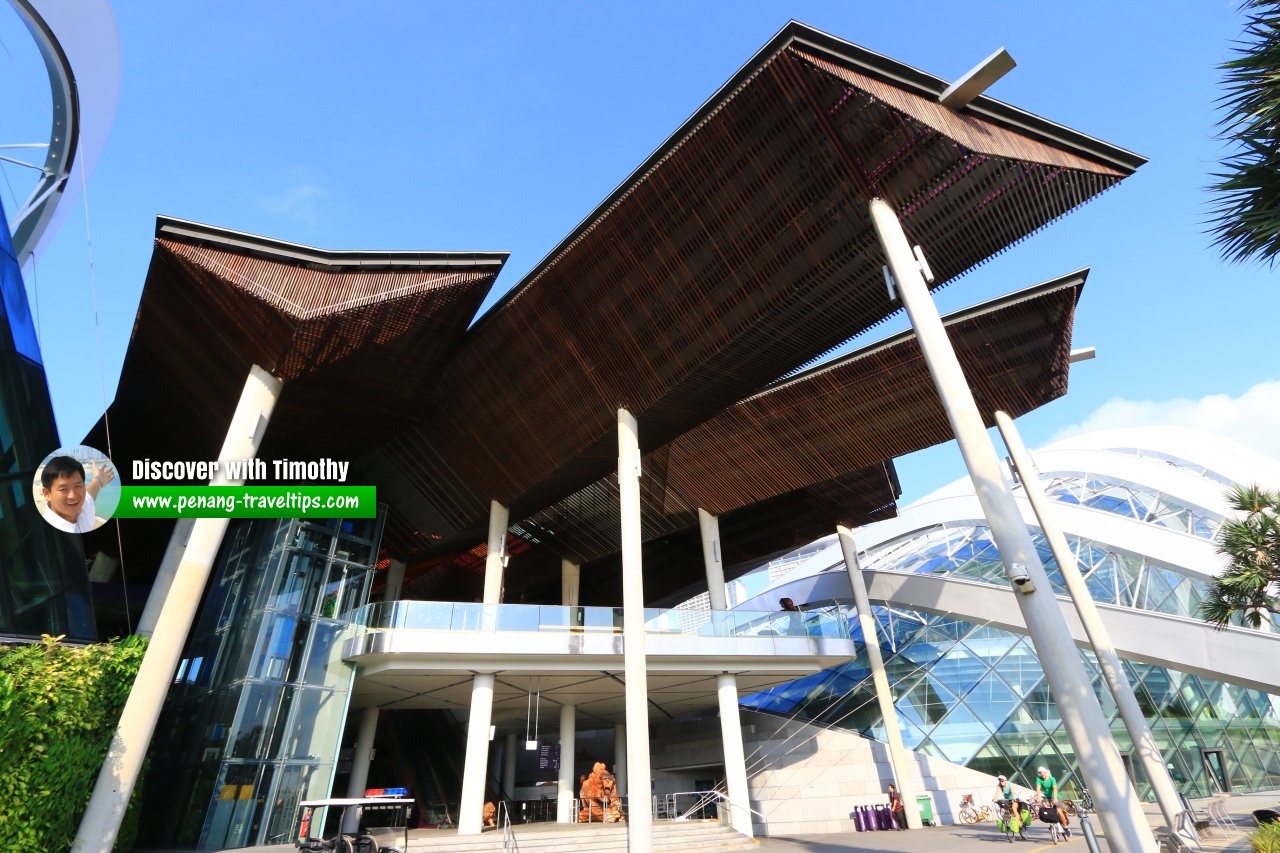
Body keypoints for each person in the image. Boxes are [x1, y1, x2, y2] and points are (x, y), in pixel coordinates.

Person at [39, 455, 114, 533]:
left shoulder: (82, 508)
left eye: (77, 486)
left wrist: (98, 480)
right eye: (63, 489)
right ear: (47, 494)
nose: (73, 496)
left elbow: (90, 493)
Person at [1035, 766, 1071, 838]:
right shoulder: (1038, 779)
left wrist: (1055, 798)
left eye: (1043, 773)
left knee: (1059, 811)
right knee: (1048, 810)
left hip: (1055, 795)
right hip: (1046, 796)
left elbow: (1055, 789)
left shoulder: (1052, 779)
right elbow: (1038, 788)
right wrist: (1038, 797)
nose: (1042, 775)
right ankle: (1053, 825)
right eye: (1040, 774)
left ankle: (1066, 827)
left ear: (1046, 772)